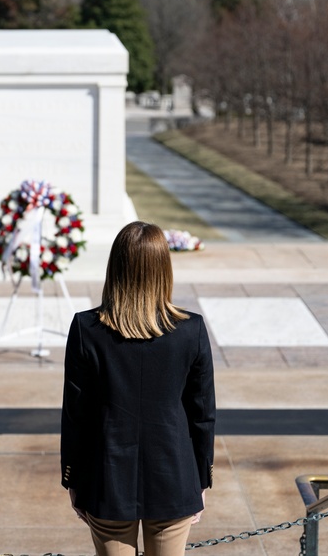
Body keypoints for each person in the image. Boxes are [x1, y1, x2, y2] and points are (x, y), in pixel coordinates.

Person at [61, 221, 216, 556]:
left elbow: (76, 416)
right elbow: (202, 416)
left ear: (115, 267)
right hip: (173, 477)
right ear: (164, 269)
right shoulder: (192, 331)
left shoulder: (86, 329)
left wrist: (72, 477)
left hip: (107, 477)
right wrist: (201, 479)